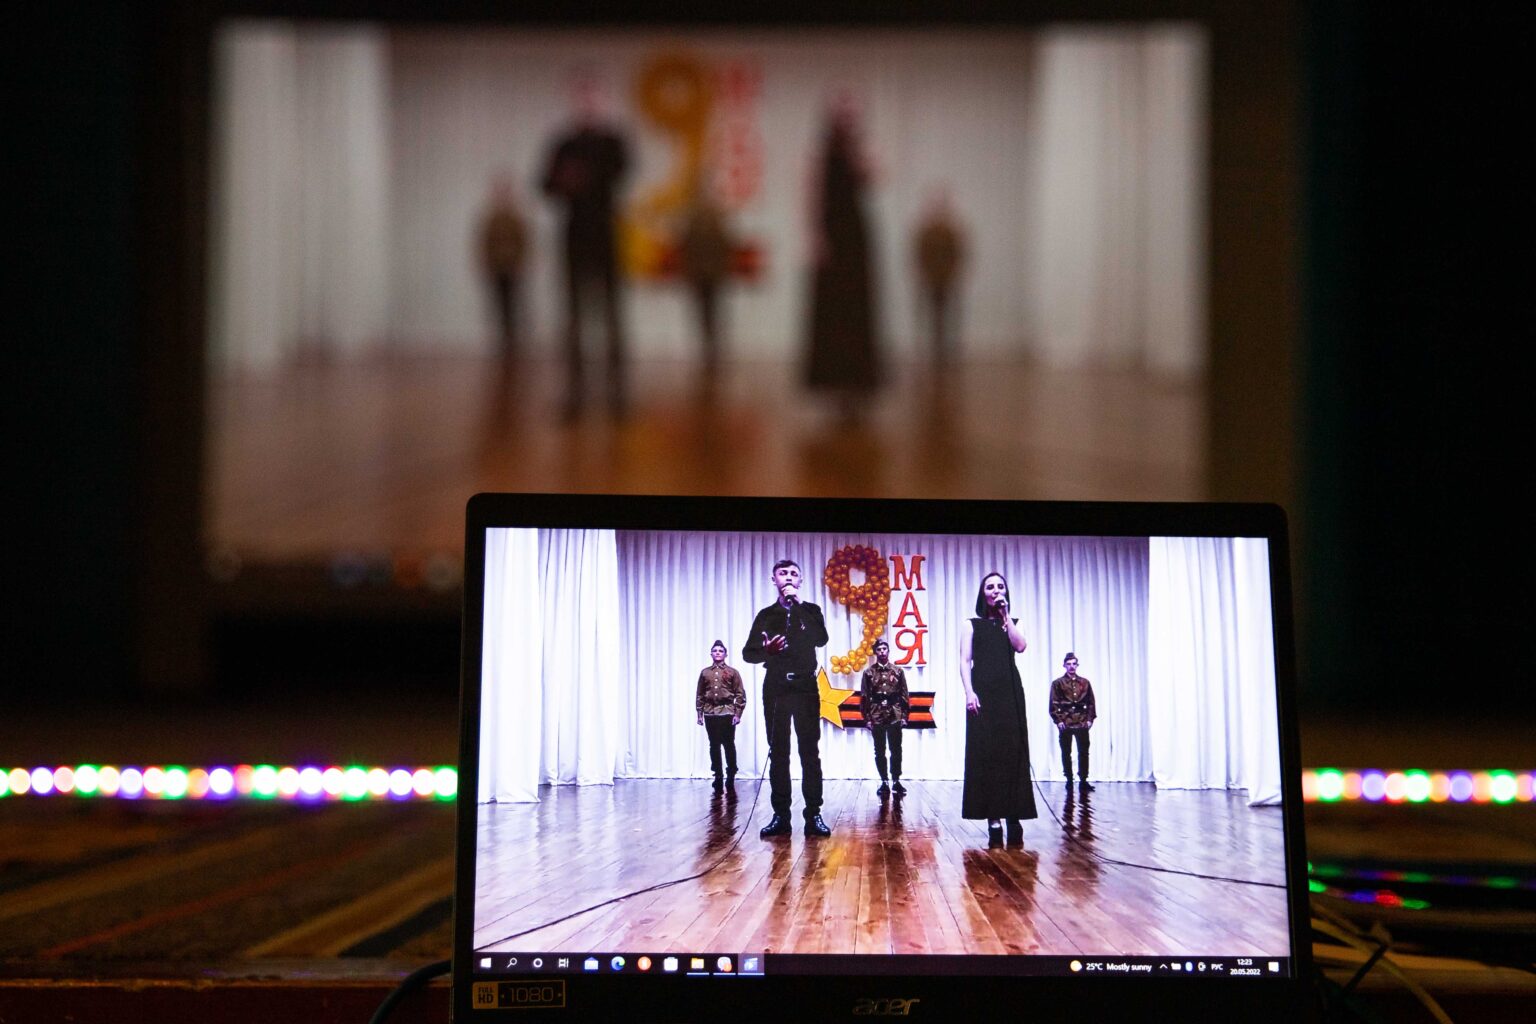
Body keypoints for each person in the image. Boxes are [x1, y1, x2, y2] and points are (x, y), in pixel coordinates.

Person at [539, 74, 631, 419]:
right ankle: (576, 393)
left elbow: (618, 173)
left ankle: (618, 393)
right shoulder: (562, 143)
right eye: (582, 96)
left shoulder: (613, 141)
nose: (588, 103)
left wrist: (580, 177)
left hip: (605, 237)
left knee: (612, 317)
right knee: (574, 320)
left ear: (603, 101)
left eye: (594, 96)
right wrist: (569, 180)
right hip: (574, 239)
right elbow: (545, 184)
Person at [804, 93, 881, 424]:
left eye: (852, 112)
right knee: (833, 310)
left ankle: (858, 383)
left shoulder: (858, 148)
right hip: (833, 234)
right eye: (843, 111)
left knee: (857, 308)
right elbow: (812, 191)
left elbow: (874, 178)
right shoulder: (822, 150)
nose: (848, 117)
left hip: (857, 235)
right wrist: (815, 235)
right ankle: (833, 382)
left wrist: (861, 153)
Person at [742, 559, 831, 838]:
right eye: (783, 573)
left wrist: (799, 606)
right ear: (774, 580)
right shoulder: (766, 615)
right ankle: (781, 816)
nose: (789, 577)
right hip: (776, 687)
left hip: (805, 686)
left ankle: (813, 814)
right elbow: (748, 654)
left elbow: (821, 639)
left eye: (794, 574)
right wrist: (766, 651)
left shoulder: (811, 610)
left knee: (809, 752)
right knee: (779, 752)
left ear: (800, 581)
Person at [960, 571, 1037, 848]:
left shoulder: (1014, 622)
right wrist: (969, 692)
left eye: (1000, 586)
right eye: (990, 587)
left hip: (1010, 694)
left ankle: (1013, 815)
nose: (995, 590)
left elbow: (1021, 646)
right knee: (987, 755)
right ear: (983, 594)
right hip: (983, 694)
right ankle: (993, 818)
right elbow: (964, 660)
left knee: (1012, 754)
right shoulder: (971, 625)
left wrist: (1007, 619)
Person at [678, 188, 734, 383]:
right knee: (706, 314)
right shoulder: (703, 223)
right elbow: (688, 249)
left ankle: (712, 351)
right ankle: (709, 351)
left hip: (710, 276)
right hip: (703, 275)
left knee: (711, 314)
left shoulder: (708, 223)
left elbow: (723, 249)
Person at [477, 175, 529, 370]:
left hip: (511, 266)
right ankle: (503, 342)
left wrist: (521, 262)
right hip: (497, 266)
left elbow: (523, 241)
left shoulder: (515, 217)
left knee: (513, 305)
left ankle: (513, 342)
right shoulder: (491, 218)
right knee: (498, 305)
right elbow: (485, 242)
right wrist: (486, 263)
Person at [912, 187, 966, 368]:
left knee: (949, 316)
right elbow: (919, 254)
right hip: (931, 278)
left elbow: (958, 254)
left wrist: (954, 272)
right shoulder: (926, 231)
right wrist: (922, 273)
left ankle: (948, 350)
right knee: (932, 317)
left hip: (947, 278)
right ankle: (934, 351)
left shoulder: (951, 231)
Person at [860, 637, 909, 796]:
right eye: (879, 649)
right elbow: (864, 696)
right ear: (875, 652)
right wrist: (866, 718)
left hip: (895, 713)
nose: (882, 652)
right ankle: (884, 781)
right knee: (879, 750)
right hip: (876, 714)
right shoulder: (868, 672)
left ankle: (896, 780)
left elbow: (904, 694)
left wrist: (904, 716)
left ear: (888, 651)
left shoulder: (898, 671)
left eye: (884, 649)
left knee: (896, 749)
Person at [696, 640, 746, 793]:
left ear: (725, 654)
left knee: (728, 744)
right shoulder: (705, 673)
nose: (717, 653)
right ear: (711, 654)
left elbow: (740, 694)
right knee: (714, 745)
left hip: (727, 712)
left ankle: (731, 774)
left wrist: (737, 714)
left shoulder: (732, 672)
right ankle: (718, 775)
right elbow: (700, 694)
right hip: (710, 712)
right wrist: (699, 713)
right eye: (715, 650)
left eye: (721, 651)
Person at [1049, 652, 1097, 793]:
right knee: (1066, 752)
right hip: (1066, 722)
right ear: (1064, 665)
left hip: (1082, 722)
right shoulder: (1057, 683)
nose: (1071, 667)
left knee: (1084, 752)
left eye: (1074, 664)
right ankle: (1069, 780)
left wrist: (1090, 719)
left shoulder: (1085, 683)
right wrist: (1058, 720)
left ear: (1077, 665)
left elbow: (1091, 702)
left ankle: (1083, 780)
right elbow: (1054, 702)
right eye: (1068, 664)